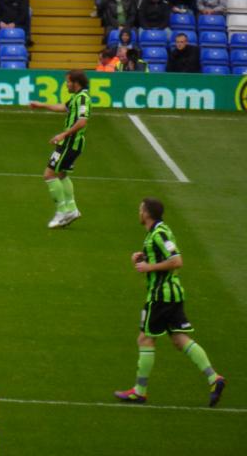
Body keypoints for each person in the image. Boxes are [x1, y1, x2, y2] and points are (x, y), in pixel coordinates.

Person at [114, 199, 226, 406]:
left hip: (160, 297)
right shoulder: (159, 231)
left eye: (140, 209)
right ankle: (214, 378)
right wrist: (142, 258)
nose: (138, 212)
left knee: (145, 339)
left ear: (147, 213)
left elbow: (176, 261)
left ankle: (139, 391)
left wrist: (149, 267)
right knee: (178, 339)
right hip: (173, 295)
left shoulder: (159, 234)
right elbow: (164, 256)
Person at [29, 70, 90, 229]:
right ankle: (72, 209)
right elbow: (63, 107)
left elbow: (83, 121)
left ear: (76, 82)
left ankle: (62, 211)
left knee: (49, 174)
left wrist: (64, 134)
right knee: (62, 173)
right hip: (72, 143)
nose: (66, 84)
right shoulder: (77, 97)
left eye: (68, 82)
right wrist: (42, 105)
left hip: (70, 143)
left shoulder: (82, 98)